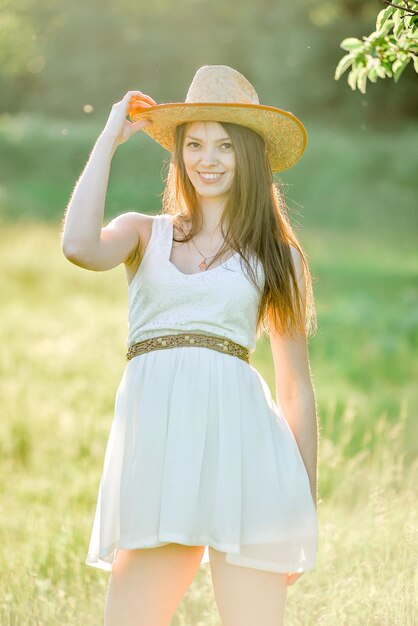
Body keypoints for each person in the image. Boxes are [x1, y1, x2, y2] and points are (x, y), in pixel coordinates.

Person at [61, 64, 319, 626]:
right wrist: (109, 138)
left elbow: (295, 388)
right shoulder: (143, 233)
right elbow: (79, 245)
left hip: (249, 459)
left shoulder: (278, 257)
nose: (208, 159)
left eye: (225, 145)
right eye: (195, 143)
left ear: (249, 155)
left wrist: (305, 503)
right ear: (179, 154)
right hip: (160, 464)